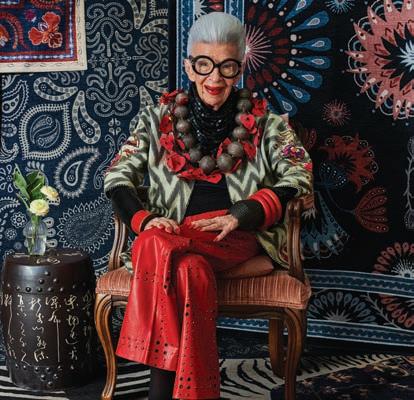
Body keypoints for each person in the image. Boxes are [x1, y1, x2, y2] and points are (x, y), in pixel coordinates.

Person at [104, 12, 312, 400]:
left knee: (151, 246)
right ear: (189, 66)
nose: (215, 78)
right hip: (176, 237)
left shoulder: (267, 123)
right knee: (188, 270)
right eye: (204, 64)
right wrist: (145, 220)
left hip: (237, 236)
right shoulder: (155, 119)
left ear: (240, 68)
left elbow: (299, 175)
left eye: (227, 66)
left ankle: (157, 390)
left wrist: (243, 213)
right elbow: (117, 176)